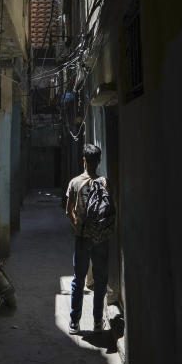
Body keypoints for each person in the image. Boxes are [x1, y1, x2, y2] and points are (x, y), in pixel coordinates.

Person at [65, 143, 110, 334]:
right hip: (101, 237)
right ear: (98, 161)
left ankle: (75, 322)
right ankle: (98, 322)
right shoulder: (104, 182)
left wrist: (78, 225)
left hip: (82, 237)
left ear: (84, 160)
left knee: (79, 279)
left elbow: (68, 211)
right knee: (100, 280)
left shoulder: (75, 183)